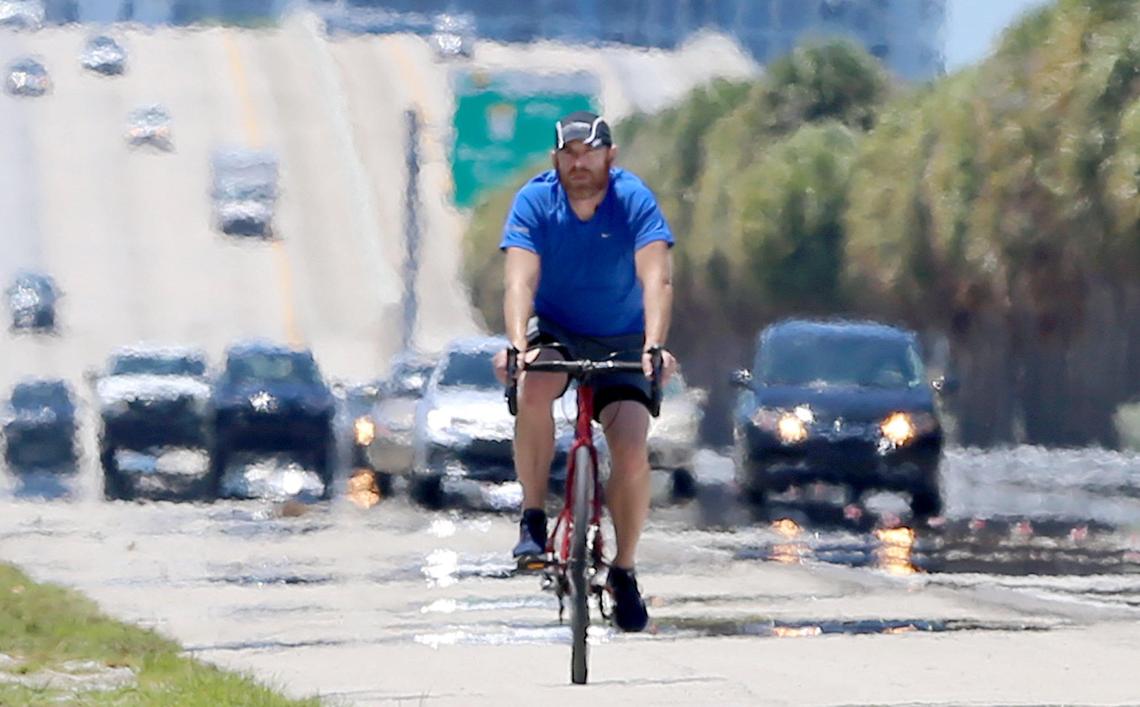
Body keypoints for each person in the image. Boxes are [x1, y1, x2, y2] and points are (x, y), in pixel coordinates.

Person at [492, 110, 677, 632]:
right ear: (556, 160)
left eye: (589, 154)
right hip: (559, 330)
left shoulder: (634, 200)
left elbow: (656, 279)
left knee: (632, 447)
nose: (579, 164)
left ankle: (623, 570)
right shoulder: (534, 201)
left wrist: (654, 345)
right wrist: (514, 343)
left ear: (609, 157)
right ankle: (532, 518)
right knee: (536, 385)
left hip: (624, 338)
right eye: (568, 155)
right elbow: (519, 283)